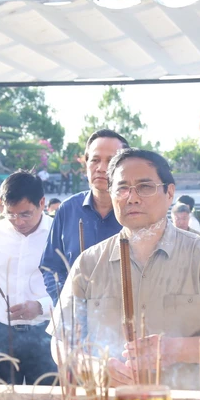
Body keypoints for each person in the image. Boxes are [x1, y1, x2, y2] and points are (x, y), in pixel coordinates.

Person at [50, 149, 200, 390]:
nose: (132, 198)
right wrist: (92, 366)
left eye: (145, 187)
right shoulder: (89, 263)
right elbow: (60, 341)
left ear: (170, 193)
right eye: (122, 188)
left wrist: (175, 349)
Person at [0, 171, 54, 385]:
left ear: (42, 203)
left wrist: (41, 306)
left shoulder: (57, 232)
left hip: (46, 334)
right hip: (0, 334)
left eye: (25, 214)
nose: (18, 221)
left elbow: (73, 287)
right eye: (11, 214)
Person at [40, 130, 127, 304]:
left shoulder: (135, 211)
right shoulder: (68, 210)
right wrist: (67, 301)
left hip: (124, 316)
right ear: (86, 163)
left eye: (111, 161)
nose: (101, 168)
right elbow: (51, 266)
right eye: (95, 160)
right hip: (76, 315)